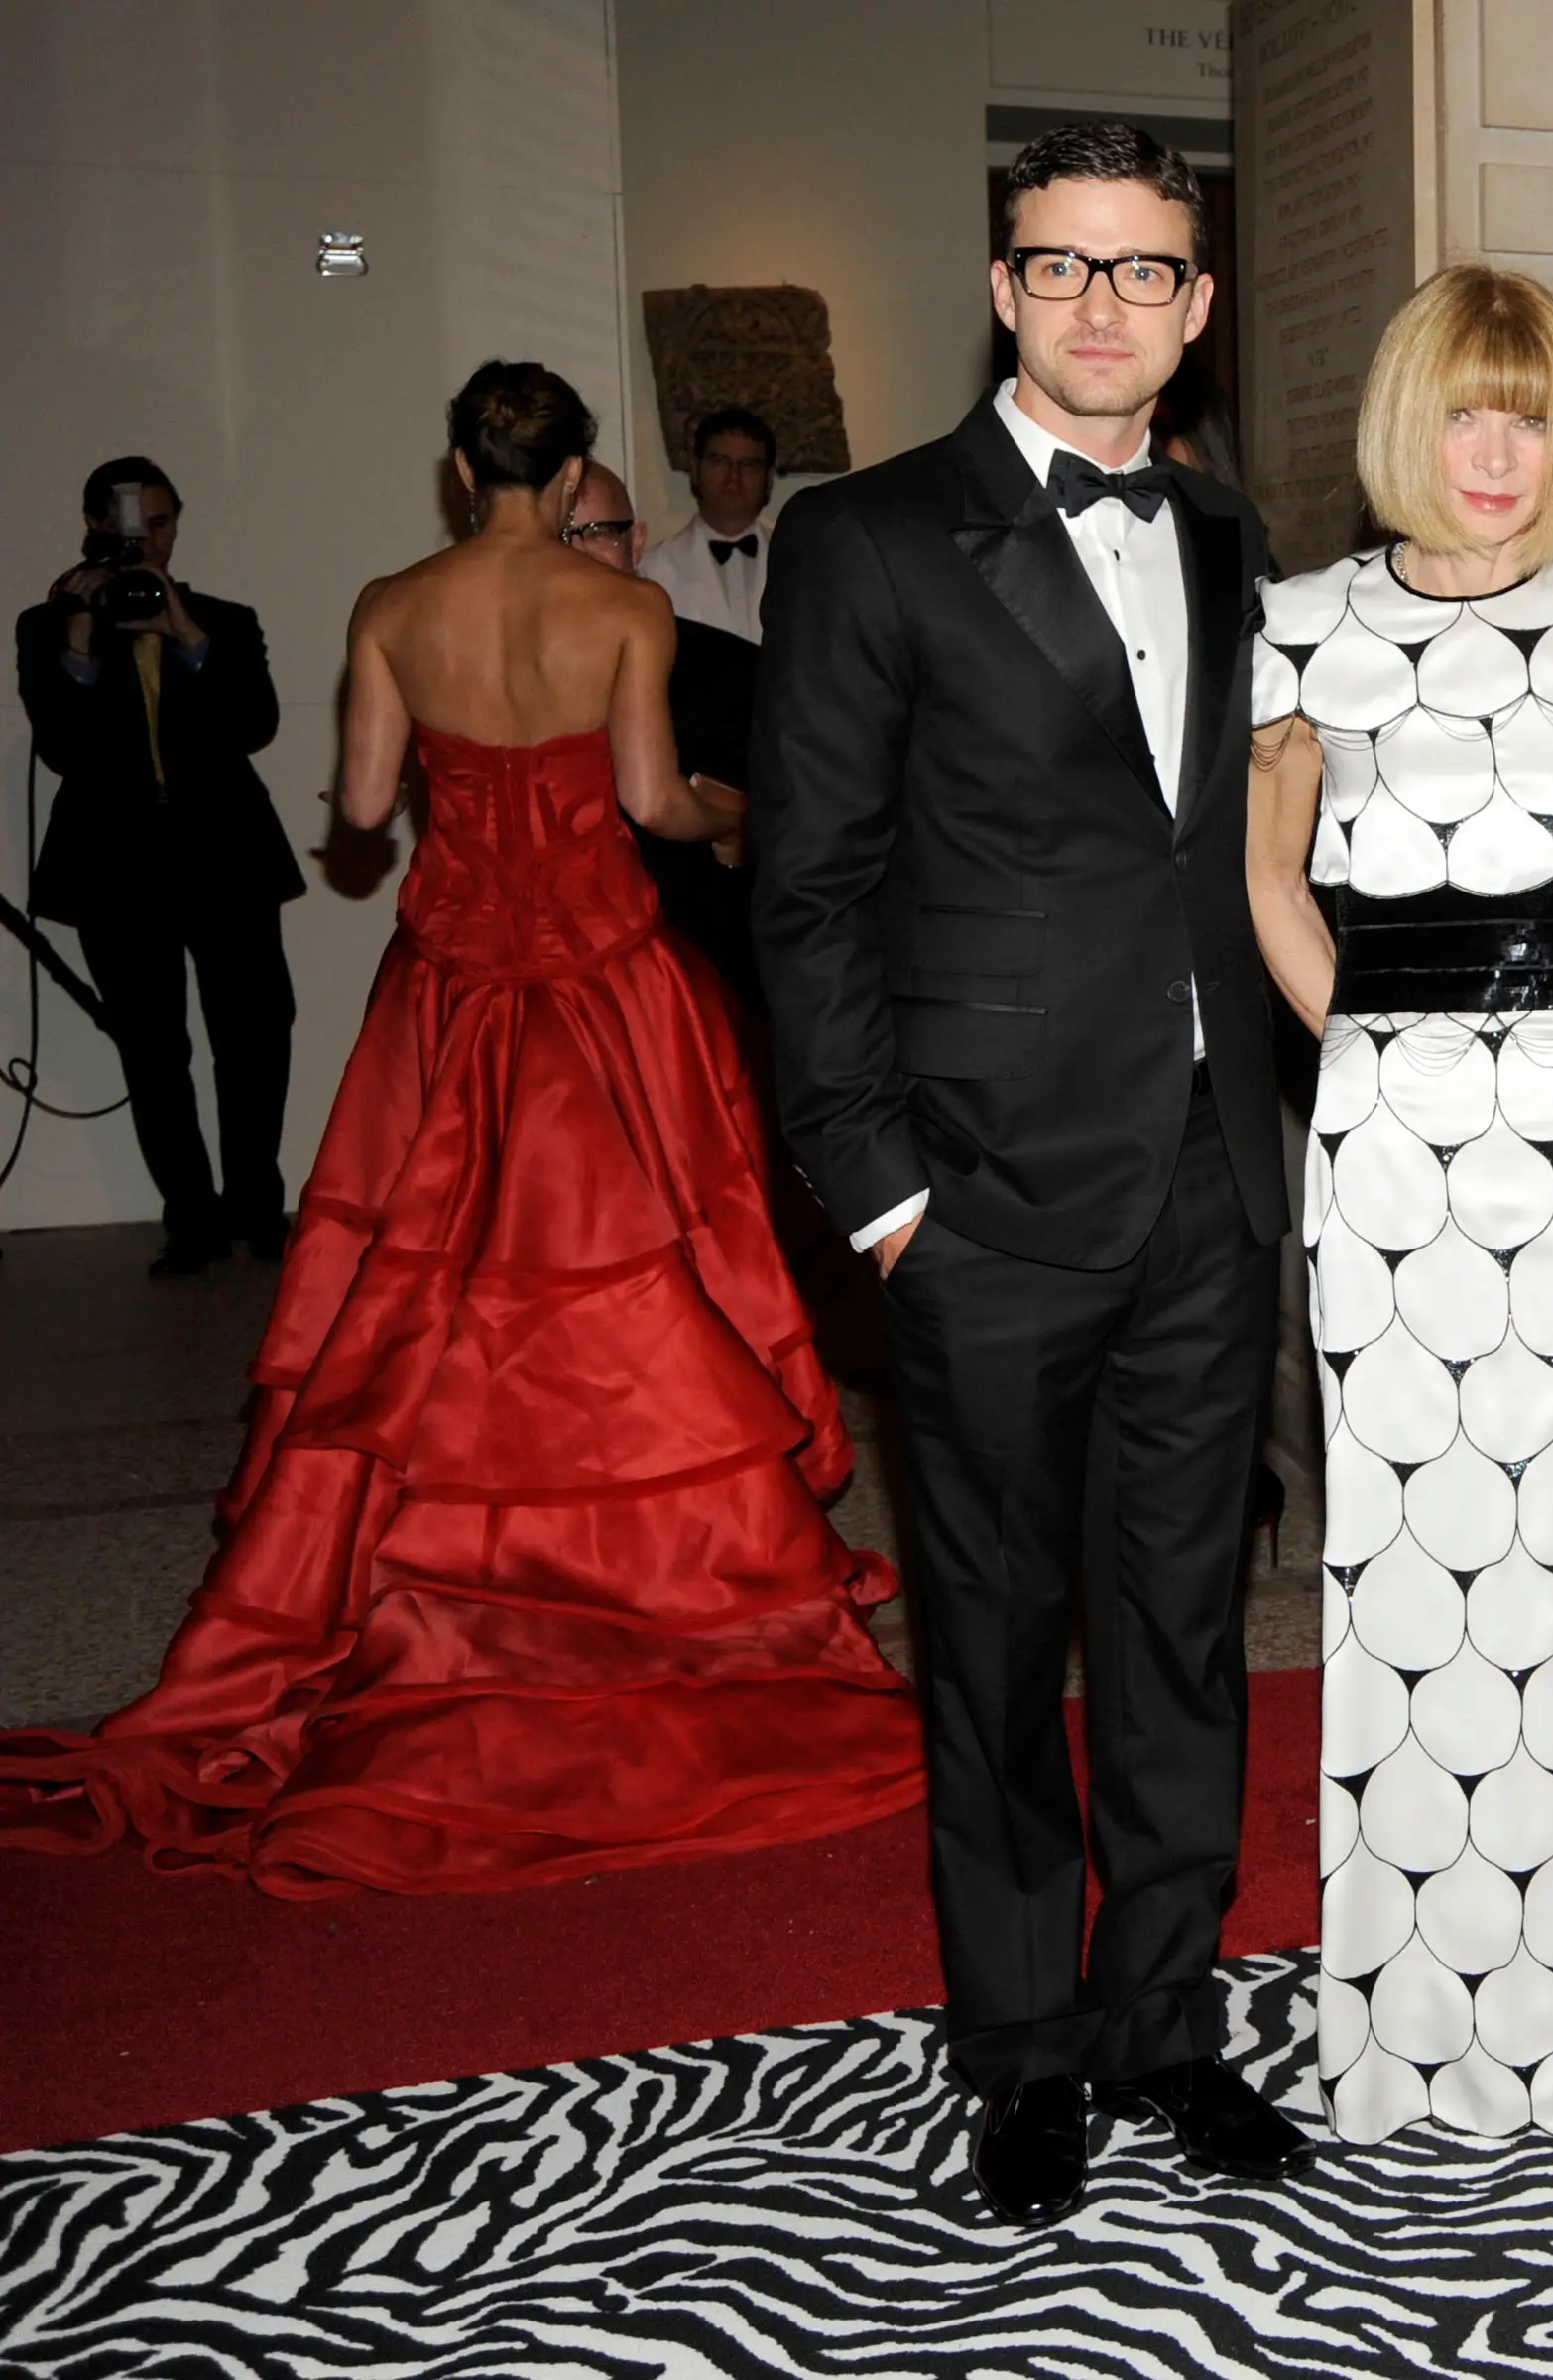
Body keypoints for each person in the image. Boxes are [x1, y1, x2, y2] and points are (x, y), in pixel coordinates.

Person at [0, 362, 920, 1894]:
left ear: (456, 468)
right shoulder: (620, 613)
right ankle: (651, 1584)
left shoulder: (390, 601)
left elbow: (362, 811)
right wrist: (731, 813)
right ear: (573, 486)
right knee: (636, 1283)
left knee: (426, 1296)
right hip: (605, 990)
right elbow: (649, 808)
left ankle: (440, 1592)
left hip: (453, 992)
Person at [754, 120, 1305, 2225]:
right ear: (1000, 288)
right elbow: (805, 894)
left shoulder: (1241, 538)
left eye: (1145, 271)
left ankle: (1162, 2013)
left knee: (1176, 1631)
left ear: (1198, 304)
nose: (1102, 306)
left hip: (1201, 1181)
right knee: (992, 1643)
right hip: (976, 1195)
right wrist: (882, 1193)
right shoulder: (874, 538)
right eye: (1061, 268)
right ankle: (1018, 2044)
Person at [1243, 264, 1553, 2148]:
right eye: (1465, 411)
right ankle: (1413, 2021)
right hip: (1388, 1153)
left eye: (1527, 415)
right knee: (1408, 1560)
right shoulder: (1302, 625)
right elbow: (1272, 887)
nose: (1493, 452)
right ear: (1408, 422)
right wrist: (1380, 1047)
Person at [14, 457, 302, 1274]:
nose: (148, 540)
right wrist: (80, 635)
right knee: (153, 1049)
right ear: (95, 523)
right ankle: (192, 1219)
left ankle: (256, 1204)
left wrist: (187, 637)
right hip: (118, 871)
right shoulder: (47, 626)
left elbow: (254, 723)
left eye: (161, 523)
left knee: (255, 1039)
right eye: (129, 524)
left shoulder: (223, 621)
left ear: (177, 524)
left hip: (229, 862)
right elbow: (62, 747)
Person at [566, 458, 763, 1004]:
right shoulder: (486, 675)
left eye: (598, 533)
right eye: (558, 537)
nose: (576, 556)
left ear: (637, 543)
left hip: (687, 984)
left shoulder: (731, 670)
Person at [639, 405, 778, 644]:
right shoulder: (651, 571)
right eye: (720, 461)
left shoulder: (800, 562)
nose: (733, 476)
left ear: (768, 477)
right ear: (696, 469)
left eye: (748, 465)